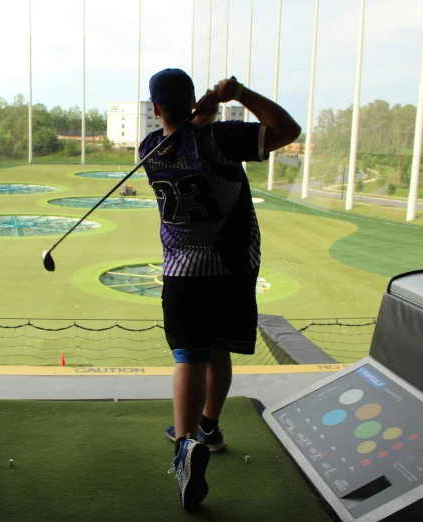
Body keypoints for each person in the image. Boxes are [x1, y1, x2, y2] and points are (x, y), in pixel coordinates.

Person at [138, 68, 300, 510]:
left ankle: (186, 442)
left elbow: (185, 137)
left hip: (182, 270)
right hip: (232, 267)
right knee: (220, 348)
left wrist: (199, 114)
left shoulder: (150, 149)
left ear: (155, 110)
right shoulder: (220, 139)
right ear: (192, 100)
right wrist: (238, 93)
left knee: (189, 355)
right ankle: (209, 425)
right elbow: (288, 130)